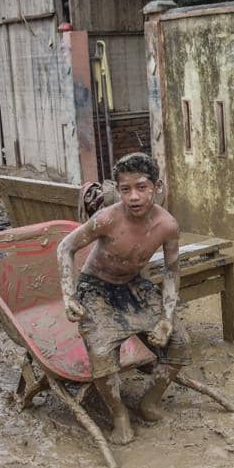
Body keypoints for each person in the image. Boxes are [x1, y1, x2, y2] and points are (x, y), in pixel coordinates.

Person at [57, 153, 188, 445]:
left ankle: (148, 403)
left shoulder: (168, 225)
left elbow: (171, 272)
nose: (134, 197)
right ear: (117, 190)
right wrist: (68, 295)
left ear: (157, 187)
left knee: (179, 342)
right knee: (102, 353)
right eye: (125, 189)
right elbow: (65, 247)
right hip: (96, 287)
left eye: (141, 187)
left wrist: (167, 318)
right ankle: (119, 415)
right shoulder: (106, 218)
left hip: (133, 285)